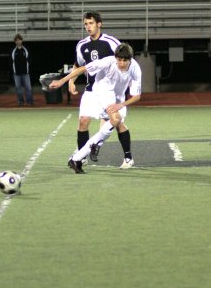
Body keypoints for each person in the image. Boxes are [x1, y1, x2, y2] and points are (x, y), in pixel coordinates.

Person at [49, 43, 142, 173]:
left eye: (124, 60)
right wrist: (62, 81)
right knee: (115, 118)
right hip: (103, 91)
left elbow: (136, 96)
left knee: (118, 123)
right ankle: (83, 154)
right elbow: (83, 69)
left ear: (130, 59)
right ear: (115, 58)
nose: (121, 63)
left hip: (119, 98)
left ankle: (89, 150)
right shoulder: (108, 62)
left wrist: (120, 104)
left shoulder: (135, 69)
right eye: (119, 60)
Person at [69, 11, 120, 162]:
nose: (88, 27)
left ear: (99, 24)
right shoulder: (82, 45)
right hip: (90, 89)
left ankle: (99, 146)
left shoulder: (111, 42)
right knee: (83, 121)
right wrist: (71, 81)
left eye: (91, 23)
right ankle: (81, 157)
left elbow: (124, 60)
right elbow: (78, 65)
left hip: (108, 90)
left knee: (112, 122)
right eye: (86, 24)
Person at [11, 33, 34, 106]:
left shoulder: (26, 49)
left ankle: (30, 101)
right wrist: (14, 71)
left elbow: (29, 60)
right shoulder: (13, 51)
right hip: (16, 73)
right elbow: (11, 61)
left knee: (28, 88)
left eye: (19, 40)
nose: (18, 41)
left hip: (25, 73)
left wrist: (27, 68)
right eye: (17, 40)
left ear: (22, 41)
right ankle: (20, 102)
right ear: (15, 41)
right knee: (18, 89)